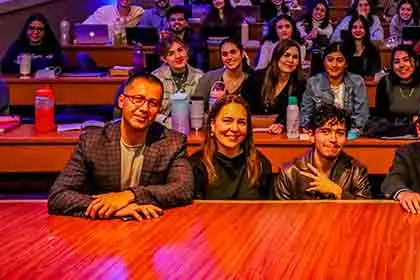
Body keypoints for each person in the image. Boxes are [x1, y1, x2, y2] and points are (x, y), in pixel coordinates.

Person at [48, 73, 193, 218]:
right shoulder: (92, 142)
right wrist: (113, 209)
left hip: (151, 223)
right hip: (101, 226)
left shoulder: (173, 142)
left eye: (153, 103)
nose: (144, 108)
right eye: (138, 99)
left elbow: (183, 189)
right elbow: (58, 196)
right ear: (122, 101)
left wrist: (129, 195)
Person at [275, 104, 372, 200]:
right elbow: (280, 210)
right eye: (325, 132)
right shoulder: (289, 172)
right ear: (311, 136)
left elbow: (366, 208)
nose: (333, 139)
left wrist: (338, 192)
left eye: (340, 133)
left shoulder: (356, 170)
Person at [188, 95, 273, 200]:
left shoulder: (260, 164)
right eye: (227, 121)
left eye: (241, 122)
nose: (235, 128)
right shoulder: (196, 166)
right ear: (212, 124)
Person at [369, 46, 420, 136]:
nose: (401, 65)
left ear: (415, 62)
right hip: (391, 131)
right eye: (397, 62)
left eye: (406, 60)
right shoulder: (385, 82)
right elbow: (381, 116)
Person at [241, 39, 306, 134]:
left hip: (281, 133)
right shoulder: (256, 77)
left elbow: (300, 111)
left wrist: (282, 125)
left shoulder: (300, 83)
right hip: (253, 130)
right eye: (286, 55)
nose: (290, 60)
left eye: (295, 57)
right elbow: (243, 105)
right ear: (277, 57)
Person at [301, 44, 369, 133]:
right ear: (324, 62)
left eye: (340, 60)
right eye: (330, 60)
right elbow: (306, 114)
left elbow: (361, 115)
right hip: (322, 132)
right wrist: (308, 129)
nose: (334, 65)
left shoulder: (357, 81)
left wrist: (352, 133)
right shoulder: (313, 82)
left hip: (350, 133)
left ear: (346, 64)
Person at [150, 37, 205, 122]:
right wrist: (165, 120)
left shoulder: (199, 77)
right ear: (164, 59)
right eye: (171, 53)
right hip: (163, 125)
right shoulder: (155, 78)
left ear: (186, 51)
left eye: (180, 50)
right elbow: (149, 110)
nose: (178, 56)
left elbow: (205, 109)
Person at [194, 38, 252, 109]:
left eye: (233, 52)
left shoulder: (251, 81)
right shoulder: (208, 78)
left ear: (242, 54)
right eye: (225, 54)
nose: (229, 57)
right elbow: (196, 109)